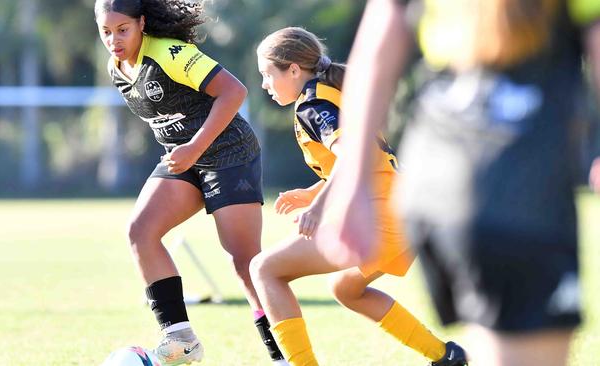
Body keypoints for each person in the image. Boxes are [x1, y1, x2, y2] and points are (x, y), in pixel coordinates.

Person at [327, 1, 600, 365]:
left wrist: (353, 185)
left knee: (491, 342)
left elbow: (373, 56)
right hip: (523, 187)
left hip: (434, 185)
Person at [250, 27, 467, 366]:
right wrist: (313, 192)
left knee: (264, 269)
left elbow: (352, 155)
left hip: (384, 217)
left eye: (267, 74)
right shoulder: (332, 92)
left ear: (293, 69)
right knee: (347, 289)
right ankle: (446, 356)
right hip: (403, 210)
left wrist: (319, 208)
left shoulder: (315, 103)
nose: (264, 84)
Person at [93, 1, 287, 365]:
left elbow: (235, 92)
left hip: (230, 154)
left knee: (245, 263)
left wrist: (195, 146)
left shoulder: (170, 52)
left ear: (142, 24)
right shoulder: (116, 67)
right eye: (106, 31)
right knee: (140, 232)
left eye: (123, 29)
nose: (114, 40)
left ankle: (283, 356)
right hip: (183, 160)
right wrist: (186, 151)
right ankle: (180, 337)